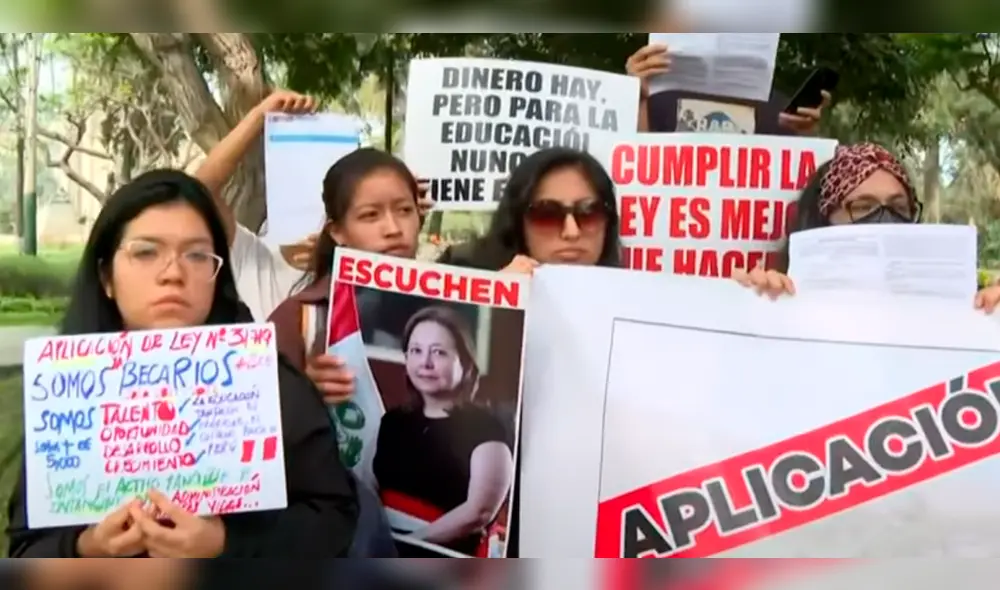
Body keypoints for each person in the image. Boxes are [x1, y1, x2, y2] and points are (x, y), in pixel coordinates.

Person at [5, 170, 358, 558]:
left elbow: (334, 518)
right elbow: (26, 550)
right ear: (106, 276)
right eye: (145, 252)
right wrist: (86, 549)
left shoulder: (269, 381)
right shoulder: (62, 392)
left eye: (196, 255)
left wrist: (227, 545)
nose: (173, 273)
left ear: (216, 274)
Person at [195, 90, 433, 324]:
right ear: (336, 230)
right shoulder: (256, 260)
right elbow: (198, 189)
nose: (391, 227)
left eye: (403, 210)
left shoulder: (402, 286)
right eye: (371, 214)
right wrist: (260, 116)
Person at [732, 142, 1000, 312]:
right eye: (863, 207)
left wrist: (990, 318)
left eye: (898, 207)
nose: (884, 218)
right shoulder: (781, 296)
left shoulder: (955, 306)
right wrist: (755, 306)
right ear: (822, 219)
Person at [373, 306, 513, 557]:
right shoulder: (392, 421)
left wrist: (407, 545)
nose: (425, 363)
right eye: (416, 351)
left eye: (438, 352)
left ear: (466, 362)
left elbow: (478, 512)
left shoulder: (487, 429)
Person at [438, 146, 622, 273]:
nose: (571, 232)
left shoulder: (633, 299)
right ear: (517, 221)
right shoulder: (460, 271)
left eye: (589, 213)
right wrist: (495, 297)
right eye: (547, 214)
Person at [626, 41, 829, 136]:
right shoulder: (656, 95)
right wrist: (633, 94)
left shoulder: (780, 110)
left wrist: (805, 131)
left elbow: (800, 182)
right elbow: (634, 161)